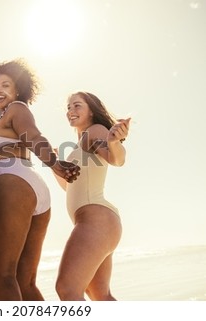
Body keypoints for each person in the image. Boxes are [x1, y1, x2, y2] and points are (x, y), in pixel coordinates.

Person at [0, 59, 80, 300]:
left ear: (18, 90)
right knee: (24, 282)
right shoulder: (0, 120)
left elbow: (34, 136)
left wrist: (54, 163)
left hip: (10, 181)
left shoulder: (17, 109)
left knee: (1, 277)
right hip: (29, 186)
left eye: (6, 85)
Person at [53, 91, 130, 301]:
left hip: (96, 221)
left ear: (91, 111)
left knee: (67, 288)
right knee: (99, 294)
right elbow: (70, 187)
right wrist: (54, 164)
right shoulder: (80, 145)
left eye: (77, 106)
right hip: (101, 223)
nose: (71, 111)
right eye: (68, 107)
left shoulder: (95, 131)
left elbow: (117, 160)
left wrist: (114, 142)